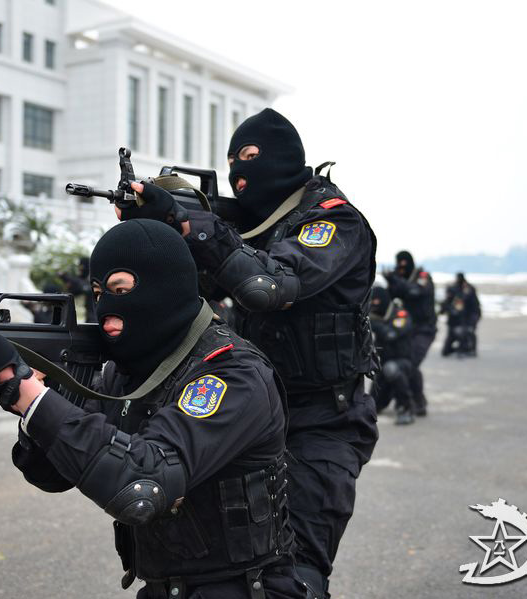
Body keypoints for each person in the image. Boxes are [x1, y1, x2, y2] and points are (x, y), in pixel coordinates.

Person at [0, 220, 302, 598]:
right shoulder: (128, 371)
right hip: (165, 586)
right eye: (97, 292)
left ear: (165, 287)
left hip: (245, 589)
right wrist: (34, 391)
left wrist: (20, 389)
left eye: (120, 289)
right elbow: (51, 474)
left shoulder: (231, 372)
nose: (105, 306)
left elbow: (141, 487)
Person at [122, 108, 379, 599]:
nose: (241, 171)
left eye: (251, 157)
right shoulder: (245, 227)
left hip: (324, 422)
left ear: (285, 160)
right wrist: (157, 233)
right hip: (251, 413)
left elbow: (266, 285)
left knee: (295, 575)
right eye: (232, 160)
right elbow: (191, 291)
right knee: (225, 570)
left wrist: (189, 223)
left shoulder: (333, 220)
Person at [384, 251, 437, 415]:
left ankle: (416, 401)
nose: (401, 268)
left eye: (404, 264)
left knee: (411, 363)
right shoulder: (400, 279)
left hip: (424, 330)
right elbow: (391, 298)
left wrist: (396, 281)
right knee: (407, 364)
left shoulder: (423, 276)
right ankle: (414, 400)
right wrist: (391, 283)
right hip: (406, 330)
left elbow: (416, 292)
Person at [369, 287, 416, 425]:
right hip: (383, 366)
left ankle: (406, 408)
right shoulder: (374, 316)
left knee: (391, 368)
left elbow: (392, 334)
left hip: (403, 363)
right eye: (372, 301)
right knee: (372, 406)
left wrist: (375, 325)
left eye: (377, 300)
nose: (375, 303)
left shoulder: (400, 314)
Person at [440, 273, 481, 357]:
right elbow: (446, 304)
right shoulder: (453, 289)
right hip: (454, 321)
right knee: (446, 350)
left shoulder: (469, 290)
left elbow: (474, 307)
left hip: (468, 318)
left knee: (468, 332)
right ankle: (460, 349)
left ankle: (469, 349)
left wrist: (472, 320)